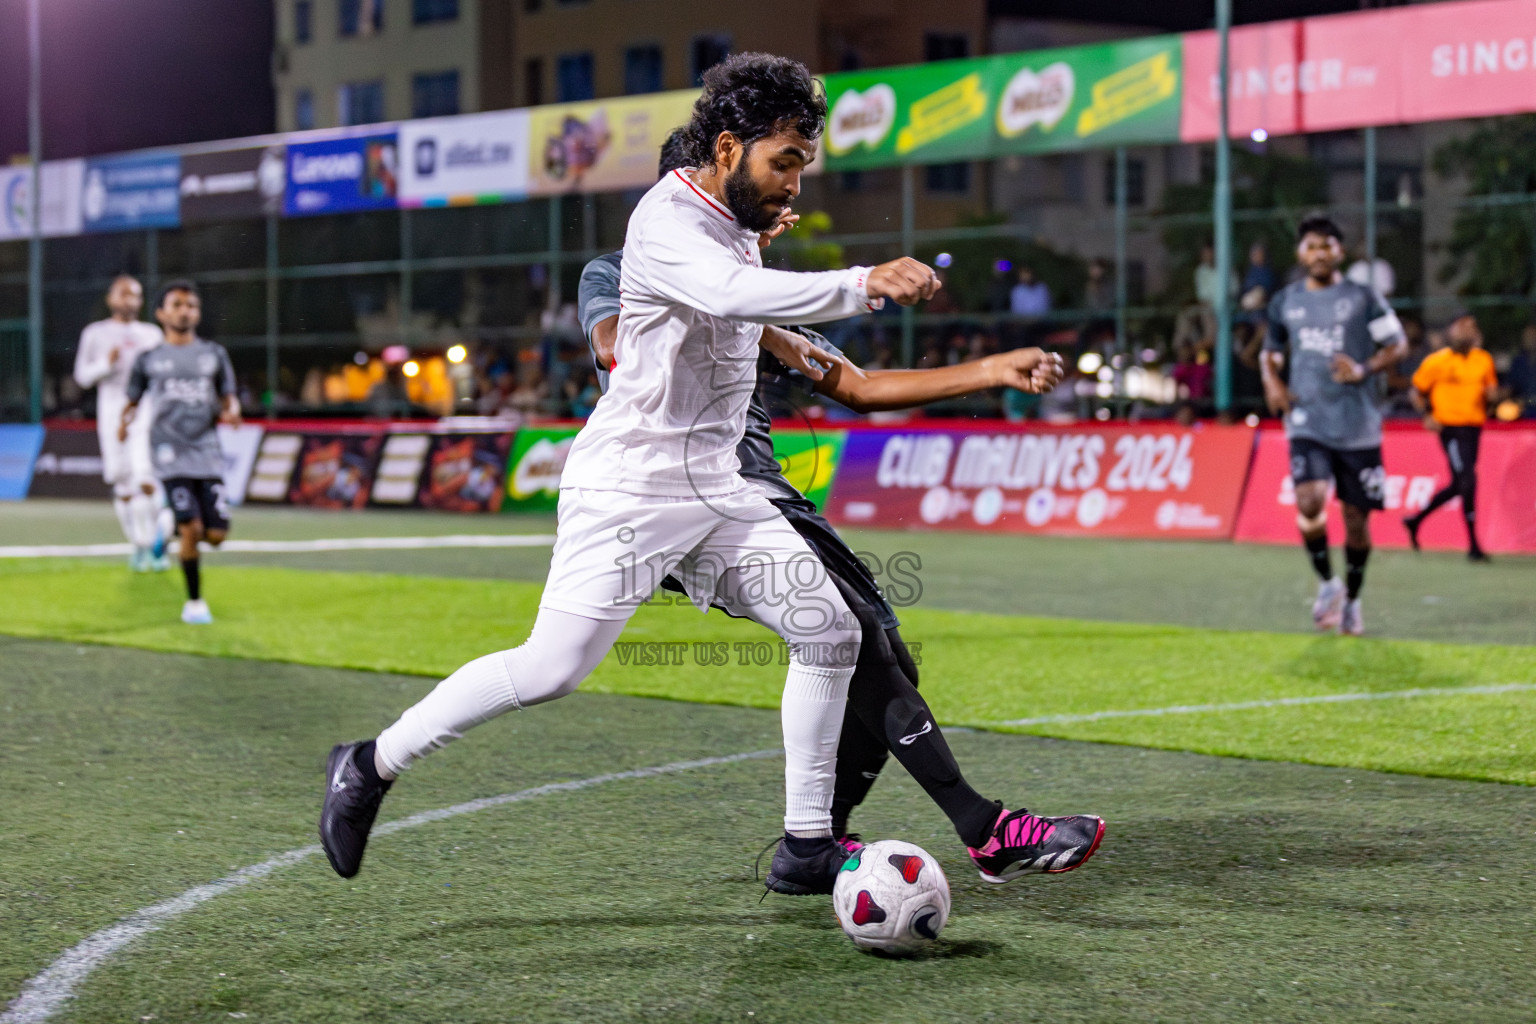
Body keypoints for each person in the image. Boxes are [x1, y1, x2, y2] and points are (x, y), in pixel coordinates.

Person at [319, 53, 948, 896]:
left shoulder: (735, 228)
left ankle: (806, 844)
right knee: (553, 669)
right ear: (728, 148)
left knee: (831, 631)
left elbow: (743, 287)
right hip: (630, 488)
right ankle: (369, 764)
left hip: (719, 488)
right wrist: (863, 282)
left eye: (803, 164)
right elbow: (726, 295)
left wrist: (780, 250)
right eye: (784, 163)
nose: (796, 185)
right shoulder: (667, 221)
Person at [574, 132, 1104, 887]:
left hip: (765, 493)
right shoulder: (631, 270)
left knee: (885, 655)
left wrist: (990, 370)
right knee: (855, 641)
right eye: (773, 174)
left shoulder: (753, 280)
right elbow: (616, 345)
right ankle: (984, 831)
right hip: (694, 495)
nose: (783, 196)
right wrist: (729, 301)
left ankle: (817, 845)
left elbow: (857, 386)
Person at [1261, 215, 1408, 637]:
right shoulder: (1285, 301)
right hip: (1307, 419)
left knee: (1356, 520)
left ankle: (1354, 601)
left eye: (1327, 245)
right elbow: (1270, 351)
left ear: (1339, 252)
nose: (1319, 253)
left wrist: (1363, 368)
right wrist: (1273, 382)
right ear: (1300, 254)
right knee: (1309, 501)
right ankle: (1328, 584)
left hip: (1358, 423)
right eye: (1311, 246)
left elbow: (1396, 344)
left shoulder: (1363, 297)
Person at [120, 281, 241, 625]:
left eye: (190, 305)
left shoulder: (213, 354)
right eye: (176, 304)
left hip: (207, 451)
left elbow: (227, 395)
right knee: (192, 529)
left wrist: (231, 410)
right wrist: (123, 422)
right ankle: (195, 603)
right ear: (161, 313)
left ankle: (167, 522)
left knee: (216, 536)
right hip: (169, 451)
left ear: (198, 313)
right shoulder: (149, 359)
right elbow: (133, 399)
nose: (184, 310)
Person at [72, 275, 169, 572]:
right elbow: (82, 377)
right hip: (111, 413)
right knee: (121, 481)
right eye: (123, 294)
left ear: (140, 301)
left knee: (145, 477)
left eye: (135, 295)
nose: (129, 300)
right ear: (111, 299)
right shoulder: (96, 333)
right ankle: (139, 545)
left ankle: (158, 541)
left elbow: (164, 373)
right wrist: (105, 364)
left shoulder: (151, 333)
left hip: (144, 410)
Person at [1402, 310, 1498, 561]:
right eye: (1463, 326)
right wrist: (1427, 414)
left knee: (1460, 483)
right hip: (1450, 430)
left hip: (1474, 428)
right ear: (1451, 331)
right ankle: (1474, 546)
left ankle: (1415, 519)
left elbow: (1491, 392)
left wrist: (1494, 397)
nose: (1468, 330)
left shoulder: (1483, 360)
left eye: (1472, 326)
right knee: (1467, 480)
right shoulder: (1437, 361)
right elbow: (1416, 391)